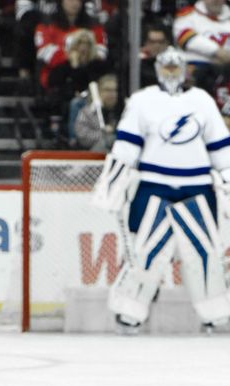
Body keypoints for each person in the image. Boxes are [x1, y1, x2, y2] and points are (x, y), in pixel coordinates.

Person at [92, 47, 230, 335]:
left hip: (197, 188)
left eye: (174, 67)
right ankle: (129, 313)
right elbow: (127, 145)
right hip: (154, 186)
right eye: (165, 68)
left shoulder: (202, 101)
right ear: (156, 69)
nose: (170, 73)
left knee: (205, 254)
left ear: (185, 69)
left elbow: (220, 147)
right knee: (145, 253)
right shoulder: (142, 101)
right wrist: (113, 184)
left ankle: (214, 314)